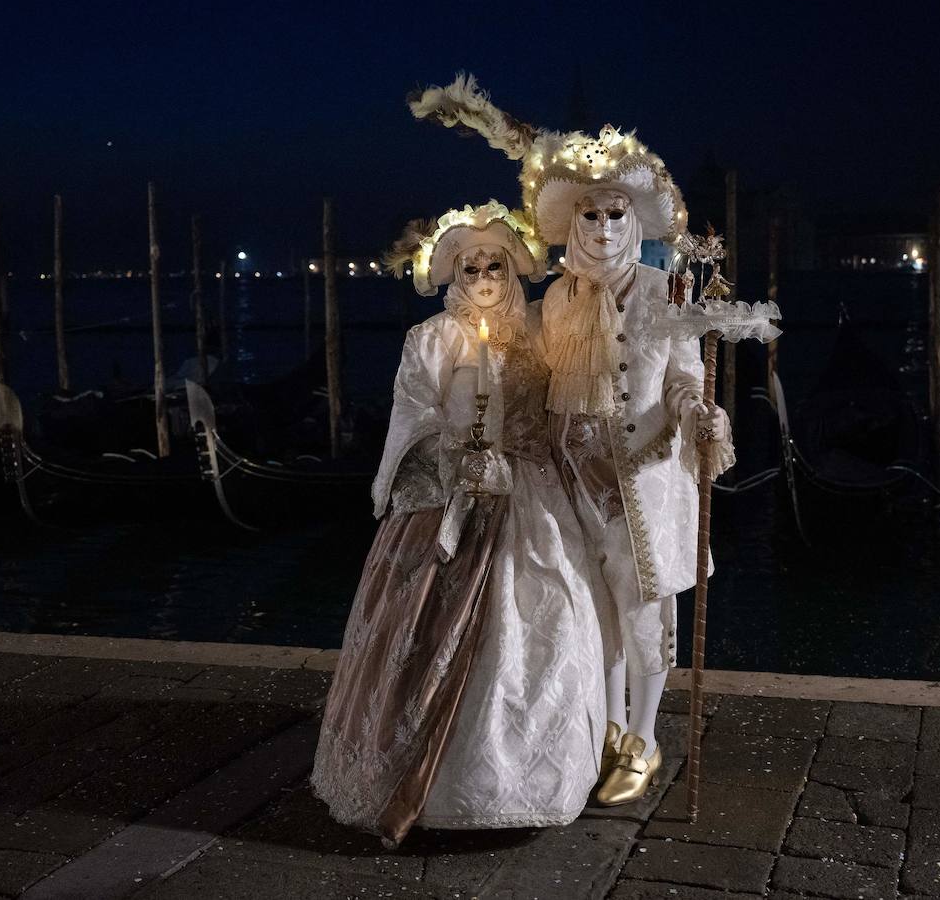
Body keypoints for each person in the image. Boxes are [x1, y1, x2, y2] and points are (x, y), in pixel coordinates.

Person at [408, 80, 733, 806]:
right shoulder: (553, 297)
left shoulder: (665, 293)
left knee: (644, 608)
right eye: (590, 214)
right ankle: (608, 732)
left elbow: (683, 381)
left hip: (644, 480)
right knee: (593, 611)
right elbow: (527, 374)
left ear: (634, 219)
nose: (603, 228)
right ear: (572, 220)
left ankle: (645, 741)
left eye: (617, 214)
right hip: (569, 478)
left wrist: (702, 420)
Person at [309, 201, 605, 846]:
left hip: (534, 497)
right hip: (450, 500)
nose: (483, 276)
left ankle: (533, 783)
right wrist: (459, 458)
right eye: (470, 266)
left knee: (548, 620)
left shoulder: (541, 330)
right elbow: (411, 420)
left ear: (513, 267)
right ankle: (434, 789)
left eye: (494, 264)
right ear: (451, 273)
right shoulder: (430, 340)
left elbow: (569, 405)